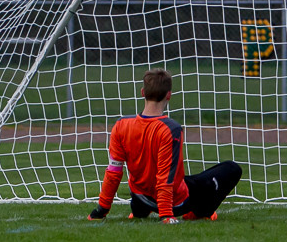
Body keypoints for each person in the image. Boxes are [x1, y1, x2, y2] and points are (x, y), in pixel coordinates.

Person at [87, 69, 242, 224]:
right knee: (232, 169)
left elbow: (114, 172)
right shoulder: (170, 128)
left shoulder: (121, 125)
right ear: (169, 95)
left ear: (142, 92)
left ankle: (140, 211)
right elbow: (166, 176)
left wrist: (101, 210)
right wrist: (166, 214)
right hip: (173, 204)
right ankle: (199, 213)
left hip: (139, 198)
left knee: (186, 179)